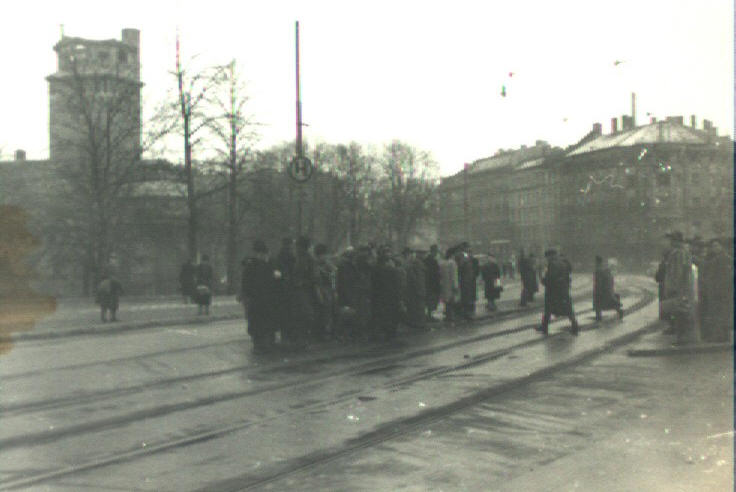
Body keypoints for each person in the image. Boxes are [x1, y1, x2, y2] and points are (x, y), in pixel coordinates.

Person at [241, 241, 279, 353]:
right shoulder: (264, 265)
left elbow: (245, 282)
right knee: (261, 320)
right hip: (261, 298)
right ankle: (262, 344)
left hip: (257, 298)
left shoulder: (251, 265)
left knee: (257, 321)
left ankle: (259, 344)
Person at [660, 231, 695, 345]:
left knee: (680, 313)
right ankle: (683, 338)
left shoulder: (679, 253)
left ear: (675, 241)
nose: (669, 242)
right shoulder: (682, 252)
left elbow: (677, 272)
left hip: (679, 289)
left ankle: (682, 339)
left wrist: (673, 287)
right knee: (681, 313)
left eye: (671, 240)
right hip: (682, 288)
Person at [538, 249, 579, 335]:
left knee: (548, 309)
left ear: (550, 256)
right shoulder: (564, 262)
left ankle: (544, 327)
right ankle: (574, 325)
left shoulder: (553, 264)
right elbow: (568, 273)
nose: (547, 259)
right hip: (563, 290)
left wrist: (543, 280)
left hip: (554, 291)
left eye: (547, 257)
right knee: (568, 309)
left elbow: (551, 278)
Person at [699, 239, 733, 343]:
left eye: (716, 246)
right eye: (713, 246)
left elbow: (726, 276)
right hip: (718, 290)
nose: (714, 248)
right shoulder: (718, 258)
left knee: (720, 314)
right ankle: (723, 336)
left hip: (720, 291)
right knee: (720, 314)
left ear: (722, 246)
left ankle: (720, 337)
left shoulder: (724, 259)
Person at [290, 236, 318, 349]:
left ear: (303, 247)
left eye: (298, 246)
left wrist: (303, 282)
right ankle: (299, 339)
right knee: (297, 315)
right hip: (296, 291)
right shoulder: (296, 258)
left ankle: (305, 339)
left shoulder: (309, 259)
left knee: (306, 315)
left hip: (306, 291)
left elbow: (315, 277)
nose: (296, 248)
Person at [372, 247, 402, 341]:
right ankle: (391, 334)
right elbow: (397, 285)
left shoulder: (375, 269)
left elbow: (373, 284)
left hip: (379, 296)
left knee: (382, 315)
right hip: (391, 296)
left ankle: (383, 333)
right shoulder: (392, 270)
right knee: (391, 315)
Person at [275, 238, 296, 343]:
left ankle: (286, 337)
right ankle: (288, 338)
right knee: (289, 314)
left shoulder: (279, 256)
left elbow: (277, 272)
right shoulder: (290, 256)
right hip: (288, 288)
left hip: (283, 288)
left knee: (285, 315)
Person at [313, 243, 335, 342]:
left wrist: (334, 289)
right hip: (318, 289)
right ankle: (320, 333)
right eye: (322, 255)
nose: (324, 257)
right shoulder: (314, 265)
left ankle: (327, 333)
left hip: (327, 290)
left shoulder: (328, 265)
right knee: (320, 312)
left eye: (324, 255)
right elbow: (315, 280)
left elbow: (333, 276)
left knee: (328, 312)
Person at [593, 255, 623, 321]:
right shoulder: (604, 269)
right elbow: (610, 279)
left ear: (597, 262)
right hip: (607, 289)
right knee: (609, 303)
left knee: (598, 303)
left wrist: (598, 289)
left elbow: (598, 281)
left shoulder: (598, 270)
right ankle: (619, 310)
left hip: (601, 290)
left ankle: (598, 317)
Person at [403, 248, 427, 330]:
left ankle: (416, 322)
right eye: (423, 253)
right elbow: (415, 278)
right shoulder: (416, 264)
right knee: (419, 307)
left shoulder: (416, 263)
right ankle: (420, 323)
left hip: (418, 288)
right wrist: (418, 288)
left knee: (417, 306)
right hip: (418, 288)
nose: (424, 255)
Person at [456, 245, 477, 320]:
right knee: (466, 297)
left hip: (469, 281)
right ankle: (466, 312)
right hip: (465, 281)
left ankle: (468, 312)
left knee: (469, 297)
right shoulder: (464, 259)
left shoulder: (469, 259)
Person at [439, 246, 460, 322]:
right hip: (451, 285)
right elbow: (454, 276)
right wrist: (455, 286)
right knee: (452, 301)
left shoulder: (442, 263)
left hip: (444, 285)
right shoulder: (452, 263)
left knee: (446, 301)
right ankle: (451, 316)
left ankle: (447, 315)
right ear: (453, 254)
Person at [424, 245, 441, 320]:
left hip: (429, 283)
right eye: (436, 251)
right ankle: (429, 315)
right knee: (431, 300)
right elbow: (435, 273)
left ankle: (429, 315)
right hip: (432, 283)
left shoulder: (426, 260)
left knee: (430, 300)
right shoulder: (433, 261)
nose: (436, 253)